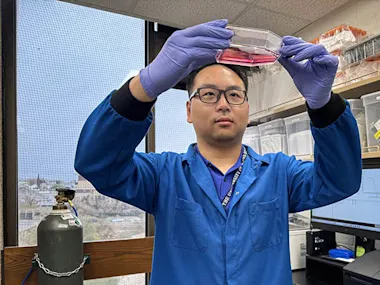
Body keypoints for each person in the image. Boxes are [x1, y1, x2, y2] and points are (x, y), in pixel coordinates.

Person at [75, 19, 362, 285]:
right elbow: (96, 163)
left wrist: (324, 105)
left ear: (247, 110)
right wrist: (145, 85)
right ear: (188, 110)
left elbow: (340, 181)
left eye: (235, 95)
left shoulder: (280, 173)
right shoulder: (163, 174)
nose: (223, 104)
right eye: (209, 94)